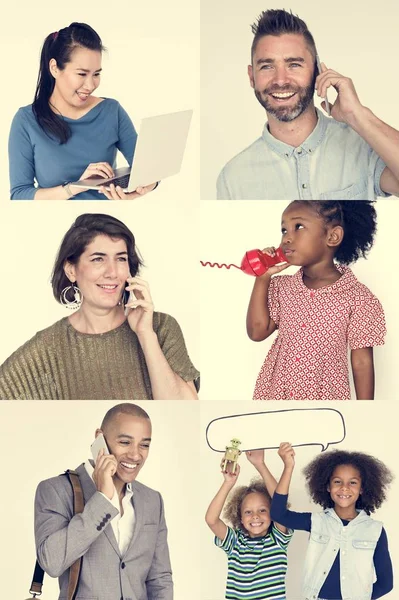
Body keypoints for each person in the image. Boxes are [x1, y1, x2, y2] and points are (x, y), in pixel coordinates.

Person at [0, 213, 199, 399]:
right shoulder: (47, 347)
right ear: (71, 270)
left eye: (121, 258)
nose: (112, 272)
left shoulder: (160, 327)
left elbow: (186, 414)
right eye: (98, 259)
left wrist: (145, 334)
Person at [216, 9, 399, 199]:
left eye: (294, 65)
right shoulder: (232, 179)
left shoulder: (362, 147)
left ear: (317, 71)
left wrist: (357, 114)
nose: (280, 80)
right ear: (251, 76)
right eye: (267, 66)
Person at [247, 201, 386, 400]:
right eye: (284, 230)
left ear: (332, 236)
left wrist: (364, 412)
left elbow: (362, 362)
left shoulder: (359, 298)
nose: (287, 237)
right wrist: (262, 277)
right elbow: (257, 331)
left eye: (298, 227)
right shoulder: (281, 287)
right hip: (276, 397)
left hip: (324, 400)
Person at [35, 403, 173, 599]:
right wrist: (101, 499)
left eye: (144, 445)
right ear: (100, 437)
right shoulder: (55, 490)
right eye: (125, 442)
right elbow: (51, 562)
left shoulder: (152, 500)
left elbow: (160, 578)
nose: (135, 455)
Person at [9, 22, 157, 200]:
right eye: (81, 74)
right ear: (54, 68)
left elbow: (148, 171)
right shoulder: (26, 121)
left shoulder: (112, 112)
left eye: (96, 74)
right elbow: (19, 194)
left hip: (107, 215)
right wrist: (76, 187)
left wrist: (139, 190)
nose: (90, 85)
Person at [271, 443, 394, 600]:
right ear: (328, 486)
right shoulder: (316, 521)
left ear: (362, 488)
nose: (344, 488)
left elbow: (386, 583)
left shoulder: (375, 530)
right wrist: (288, 466)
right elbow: (278, 514)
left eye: (353, 482)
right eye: (337, 481)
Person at [205, 449, 293, 600]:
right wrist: (228, 483)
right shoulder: (235, 543)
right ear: (239, 517)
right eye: (248, 512)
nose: (255, 516)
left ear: (273, 513)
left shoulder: (277, 540)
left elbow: (279, 502)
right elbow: (211, 520)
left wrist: (260, 464)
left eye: (262, 510)